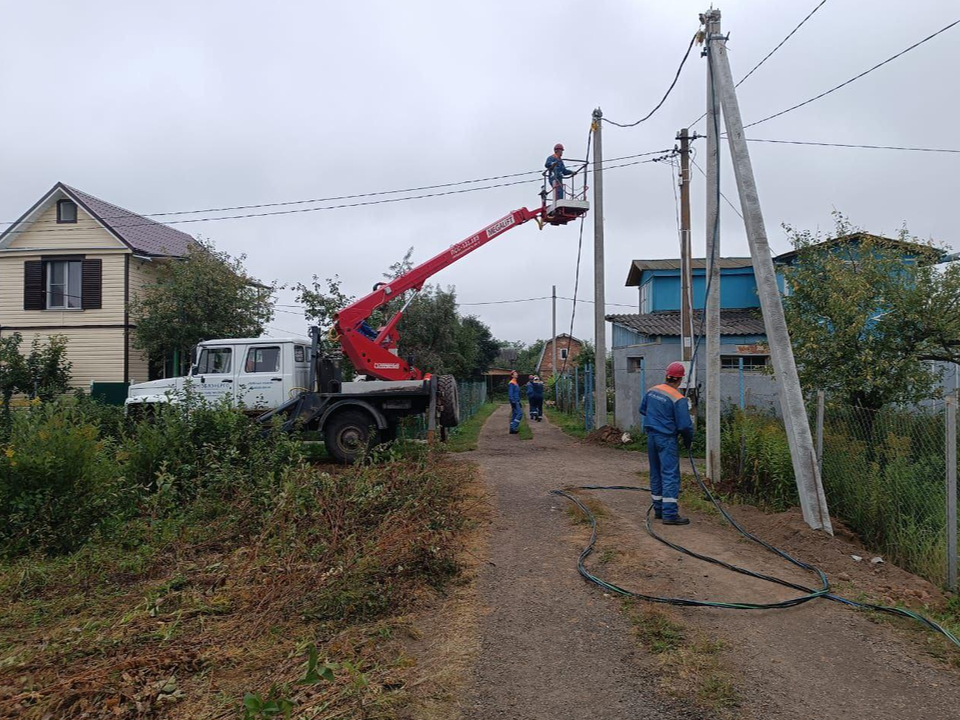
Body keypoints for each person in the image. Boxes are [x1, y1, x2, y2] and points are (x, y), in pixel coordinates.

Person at [639, 362, 694, 525]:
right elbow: (685, 426)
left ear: (666, 375)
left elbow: (643, 410)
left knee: (656, 473)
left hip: (651, 437)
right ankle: (670, 514)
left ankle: (659, 510)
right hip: (667, 439)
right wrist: (688, 441)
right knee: (670, 474)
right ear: (680, 379)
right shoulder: (679, 399)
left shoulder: (651, 391)